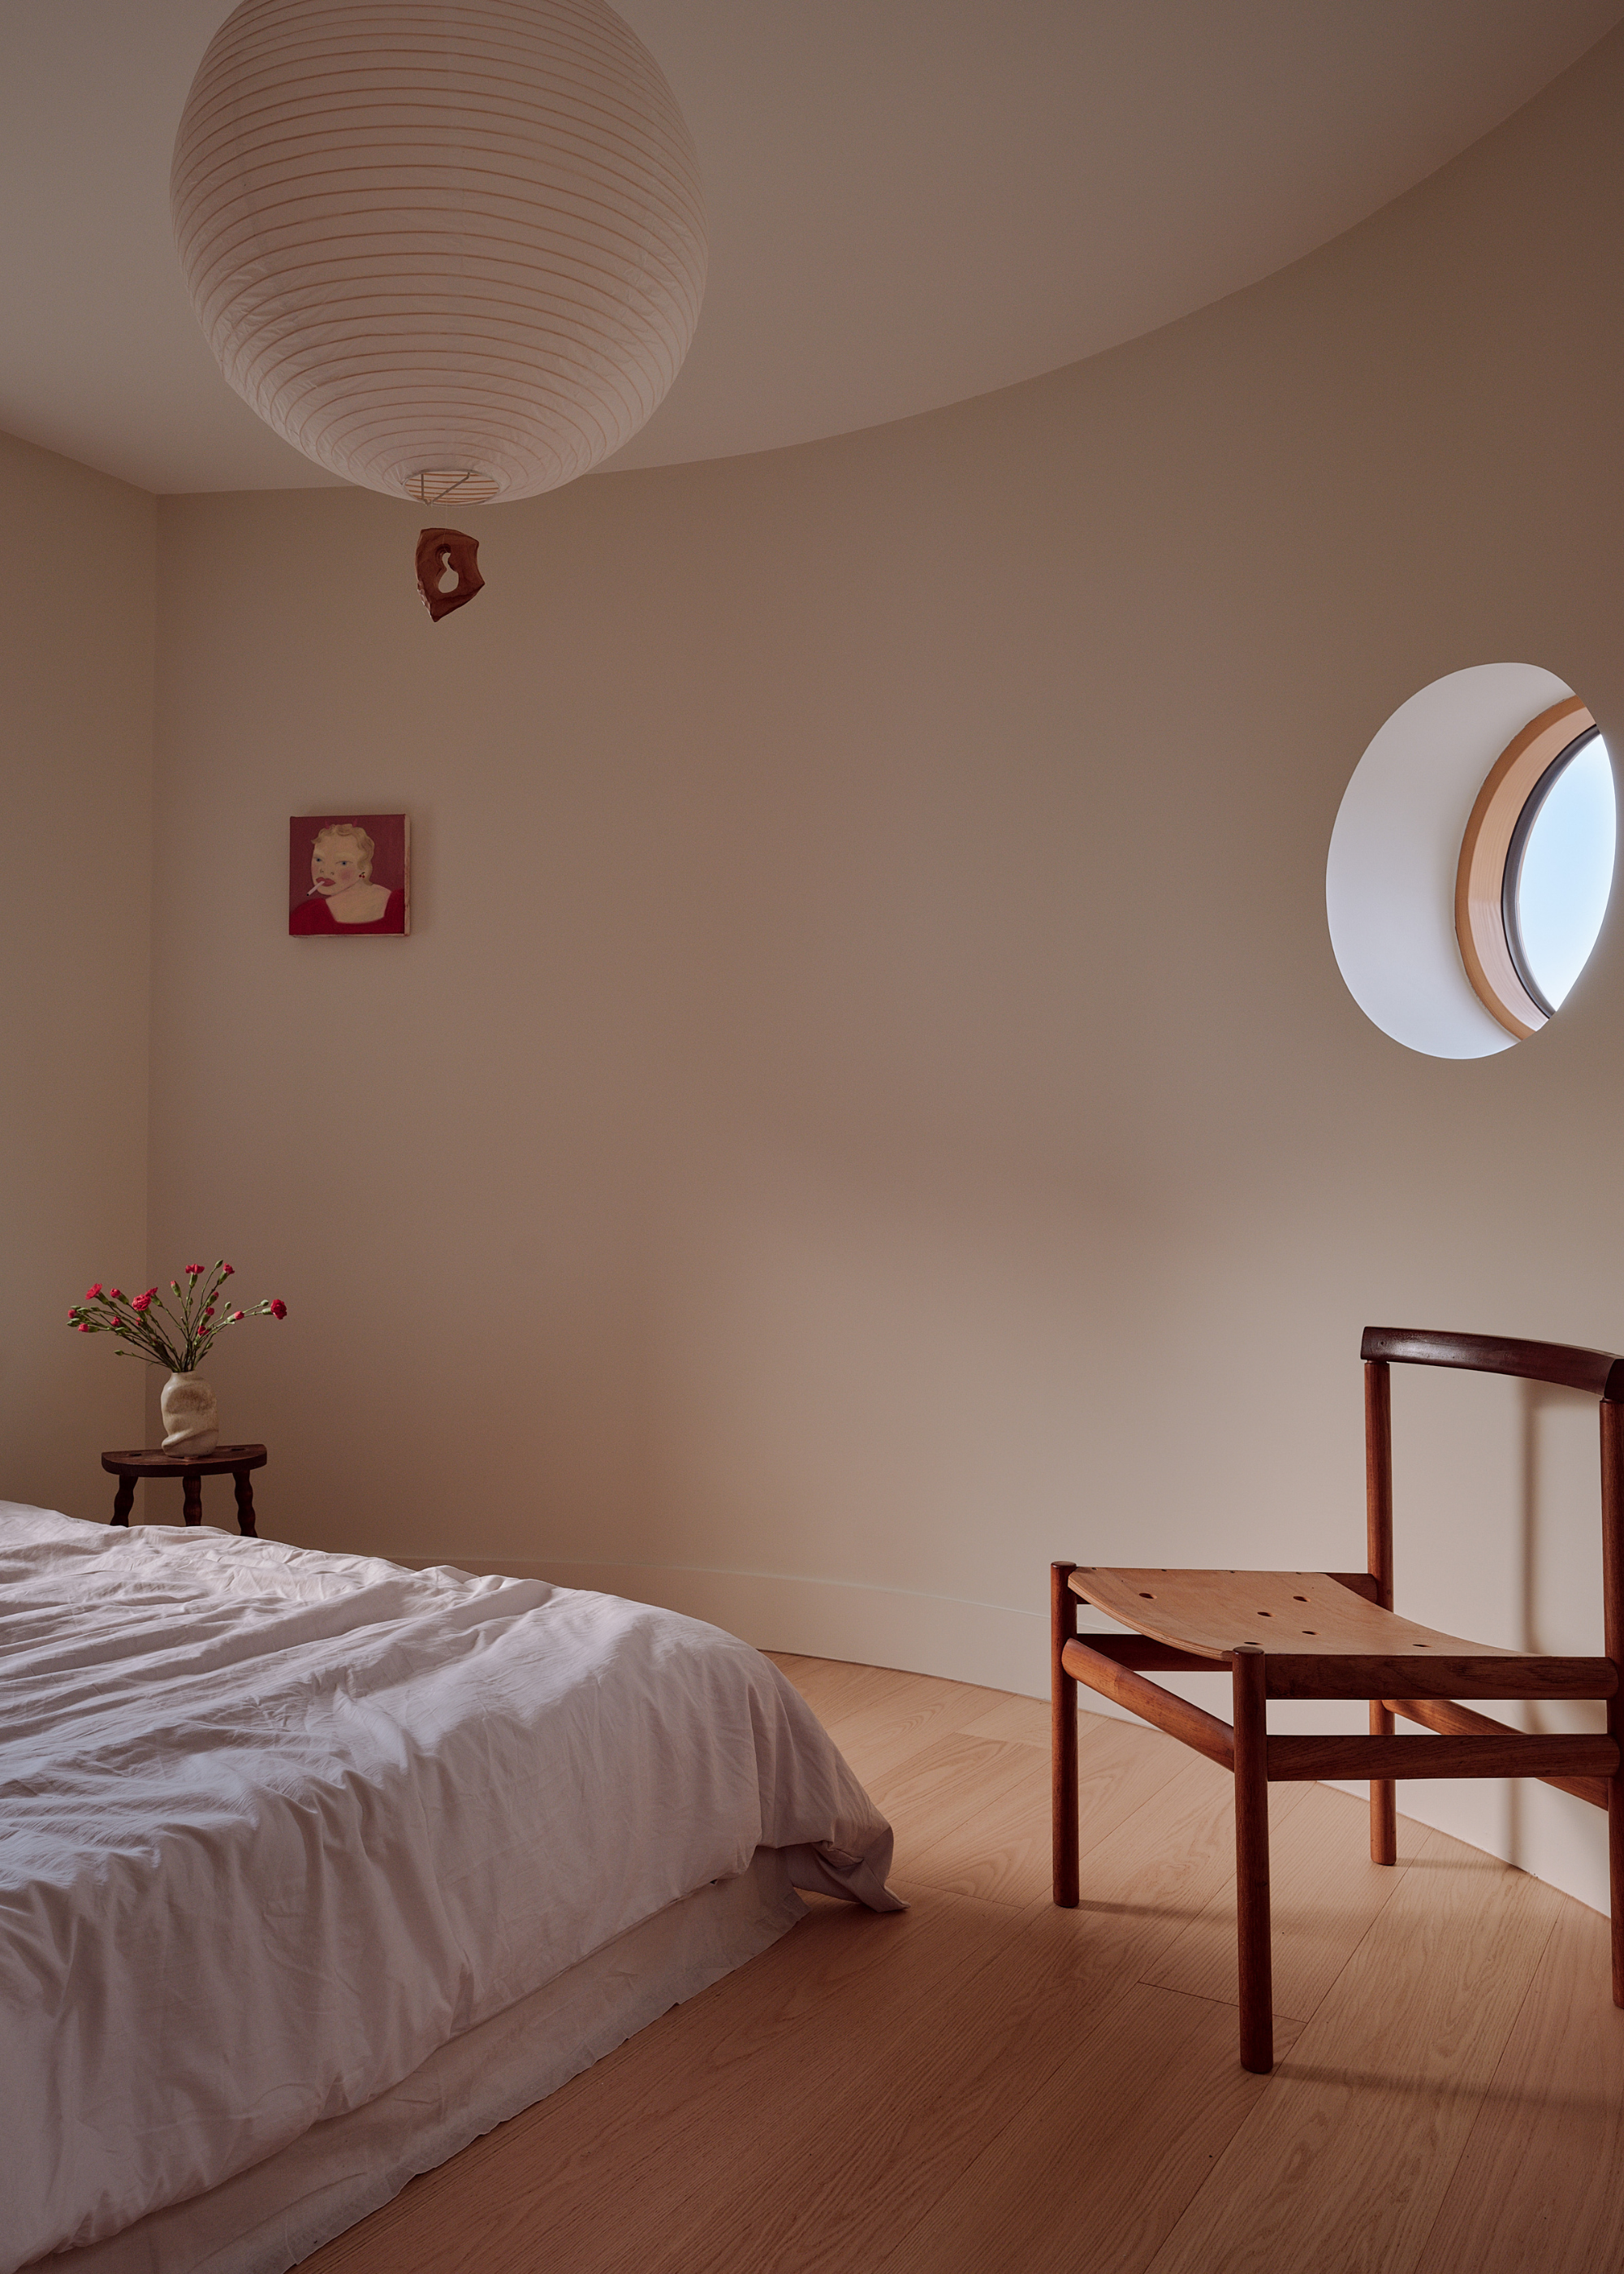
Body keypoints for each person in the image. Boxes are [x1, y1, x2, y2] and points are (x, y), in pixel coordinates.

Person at [289, 823, 406, 934]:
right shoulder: (307, 916)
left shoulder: (401, 904)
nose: (325, 870)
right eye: (319, 860)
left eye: (343, 863)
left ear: (364, 868)